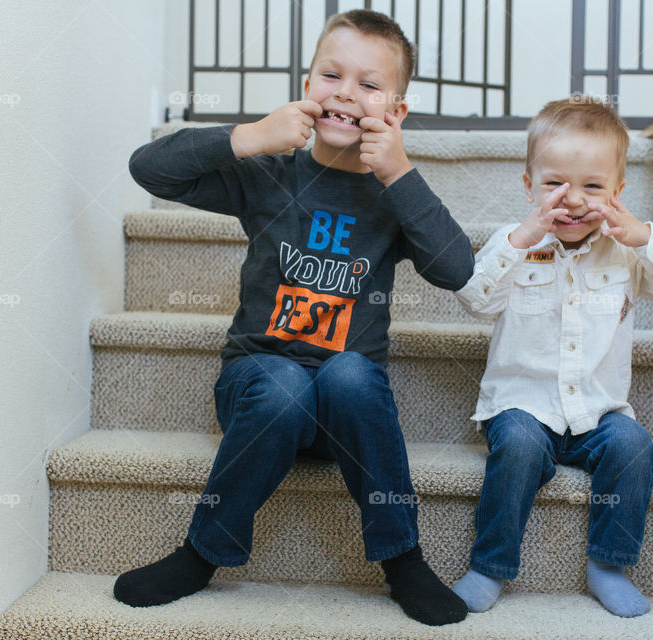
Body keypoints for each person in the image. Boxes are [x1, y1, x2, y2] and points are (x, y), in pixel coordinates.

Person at [112, 9, 473, 627]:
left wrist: (399, 170)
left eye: (369, 84)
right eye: (331, 75)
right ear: (307, 87)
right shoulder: (270, 178)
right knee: (282, 383)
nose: (345, 93)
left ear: (396, 111)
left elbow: (457, 268)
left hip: (345, 415)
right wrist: (248, 136)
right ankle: (202, 553)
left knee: (351, 376)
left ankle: (402, 558)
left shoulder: (394, 193)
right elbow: (150, 169)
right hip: (259, 393)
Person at [451, 96, 653, 617]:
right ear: (528, 186)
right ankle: (489, 565)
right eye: (554, 184)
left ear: (618, 192)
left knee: (632, 446)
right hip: (524, 405)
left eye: (593, 186)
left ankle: (608, 564)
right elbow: (476, 298)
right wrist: (522, 238)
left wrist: (647, 236)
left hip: (596, 413)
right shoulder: (513, 244)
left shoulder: (628, 252)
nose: (574, 200)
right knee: (518, 446)